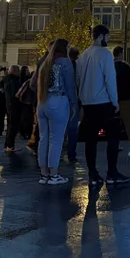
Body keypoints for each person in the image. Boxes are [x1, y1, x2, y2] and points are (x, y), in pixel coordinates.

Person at [77, 25, 128, 187]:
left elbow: (78, 79)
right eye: (108, 36)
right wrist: (115, 101)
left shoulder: (83, 55)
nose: (109, 39)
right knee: (113, 138)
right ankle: (112, 172)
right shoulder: (105, 54)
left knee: (90, 140)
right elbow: (110, 79)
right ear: (101, 36)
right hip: (103, 102)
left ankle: (93, 174)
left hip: (88, 104)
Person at [36, 39, 76, 185]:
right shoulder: (65, 63)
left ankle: (44, 174)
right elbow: (70, 86)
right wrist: (74, 105)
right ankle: (54, 174)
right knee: (56, 139)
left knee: (43, 138)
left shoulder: (44, 63)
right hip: (58, 101)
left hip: (42, 102)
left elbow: (34, 84)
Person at [2, 65, 23, 153]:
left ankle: (8, 145)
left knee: (10, 125)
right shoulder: (14, 81)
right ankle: (10, 145)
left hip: (9, 105)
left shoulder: (6, 80)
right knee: (13, 126)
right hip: (14, 105)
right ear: (15, 71)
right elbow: (16, 94)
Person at [66, 48, 80, 164]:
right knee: (72, 129)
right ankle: (71, 154)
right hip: (73, 99)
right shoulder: (75, 66)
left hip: (61, 99)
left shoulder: (62, 65)